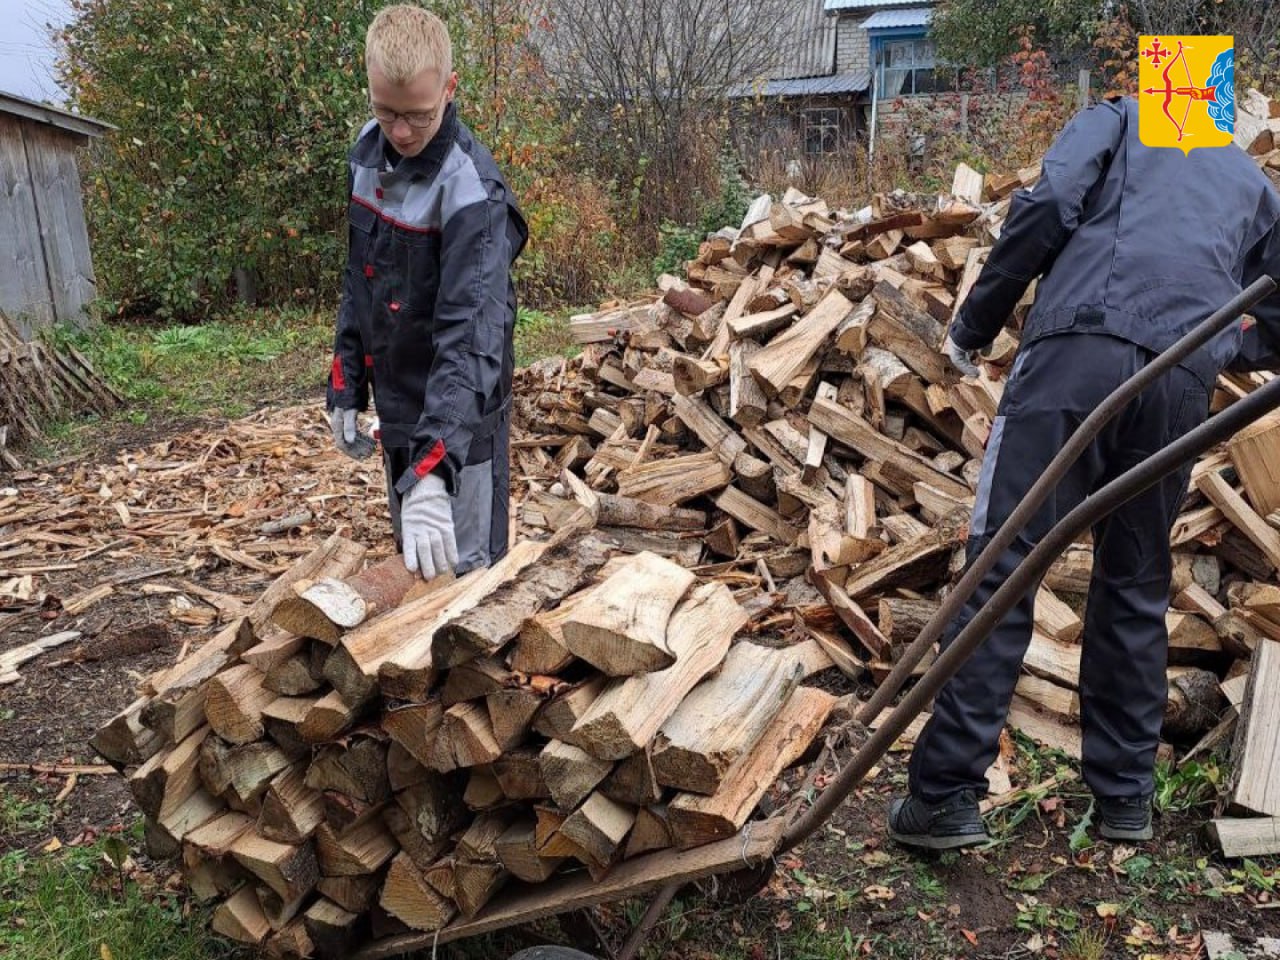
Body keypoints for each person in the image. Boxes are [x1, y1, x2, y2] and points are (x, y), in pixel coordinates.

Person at [888, 94, 1280, 849]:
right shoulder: (1252, 184)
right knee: (1134, 585)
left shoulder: (1122, 117)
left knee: (1004, 565)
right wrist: (1219, 347)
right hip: (1179, 385)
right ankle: (1126, 801)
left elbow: (1052, 201)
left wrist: (974, 323)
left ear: (1155, 78)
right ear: (1221, 102)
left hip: (1076, 354)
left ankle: (942, 798)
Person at [326, 5, 528, 580]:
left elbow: (472, 336)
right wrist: (345, 382)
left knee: (465, 584)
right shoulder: (367, 156)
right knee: (415, 574)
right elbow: (357, 279)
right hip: (398, 406)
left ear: (449, 88)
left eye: (417, 114)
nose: (401, 132)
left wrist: (436, 468)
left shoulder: (472, 192)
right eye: (385, 111)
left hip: (460, 419)